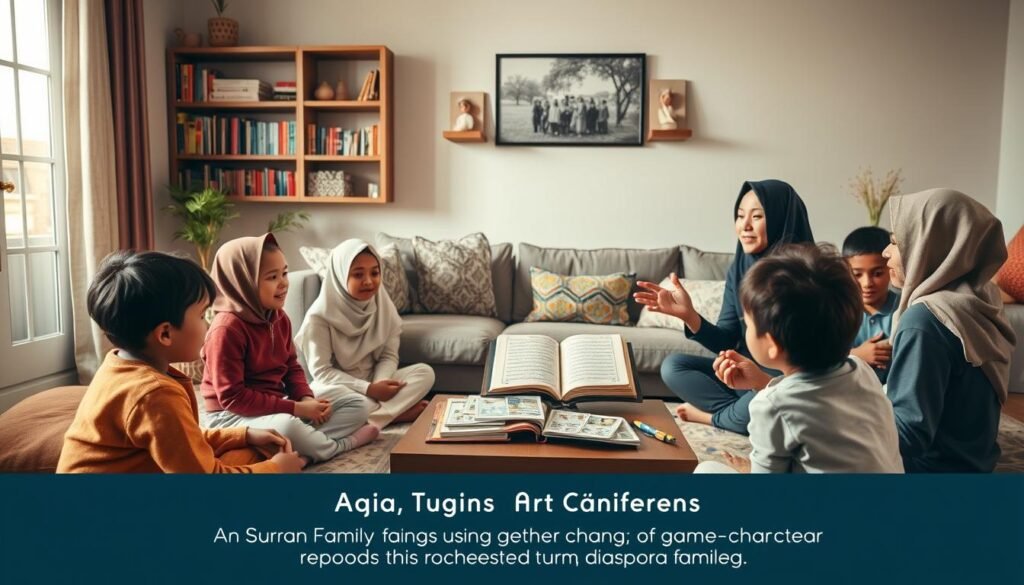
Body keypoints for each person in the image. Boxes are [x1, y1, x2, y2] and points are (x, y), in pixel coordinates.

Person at [57, 251, 304, 473]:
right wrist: (276, 469)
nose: (208, 324)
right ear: (165, 334)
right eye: (202, 315)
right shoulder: (154, 394)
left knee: (246, 451)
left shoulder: (118, 364)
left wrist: (243, 434)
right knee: (253, 460)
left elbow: (183, 439)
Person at [693, 244, 903, 473]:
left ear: (772, 344)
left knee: (707, 470)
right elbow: (813, 405)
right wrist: (762, 382)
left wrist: (748, 471)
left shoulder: (770, 406)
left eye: (749, 324)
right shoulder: (860, 369)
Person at [635, 180, 814, 434]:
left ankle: (716, 418)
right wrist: (689, 316)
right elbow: (727, 339)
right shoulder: (739, 269)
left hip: (782, 378)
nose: (745, 226)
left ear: (781, 219)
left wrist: (763, 383)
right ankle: (744, 416)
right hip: (742, 374)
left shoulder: (807, 276)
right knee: (673, 366)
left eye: (757, 216)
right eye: (740, 216)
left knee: (767, 399)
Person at [201, 234, 379, 464]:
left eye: (284, 273)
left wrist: (305, 398)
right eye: (272, 277)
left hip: (276, 404)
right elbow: (233, 398)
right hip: (232, 417)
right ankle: (336, 446)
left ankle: (294, 446)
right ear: (243, 281)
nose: (283, 283)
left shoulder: (279, 317)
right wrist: (295, 409)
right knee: (288, 426)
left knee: (357, 404)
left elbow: (292, 367)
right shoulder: (226, 329)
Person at [882, 189, 1015, 472]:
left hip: (929, 478)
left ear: (930, 245)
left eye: (895, 241)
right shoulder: (981, 299)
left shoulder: (925, 320)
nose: (886, 252)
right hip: (975, 465)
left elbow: (908, 436)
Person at [296, 240, 433, 428]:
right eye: (358, 274)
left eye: (375, 273)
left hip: (373, 379)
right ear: (341, 276)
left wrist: (381, 384)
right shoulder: (318, 317)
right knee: (321, 396)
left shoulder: (384, 307)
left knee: (424, 372)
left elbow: (388, 355)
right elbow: (322, 372)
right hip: (340, 386)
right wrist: (368, 389)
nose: (369, 281)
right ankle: (392, 413)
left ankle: (374, 419)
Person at [843, 226, 900, 383]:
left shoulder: (904, 307)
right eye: (857, 274)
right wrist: (856, 355)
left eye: (877, 274)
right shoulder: (837, 311)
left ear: (891, 268)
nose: (867, 283)